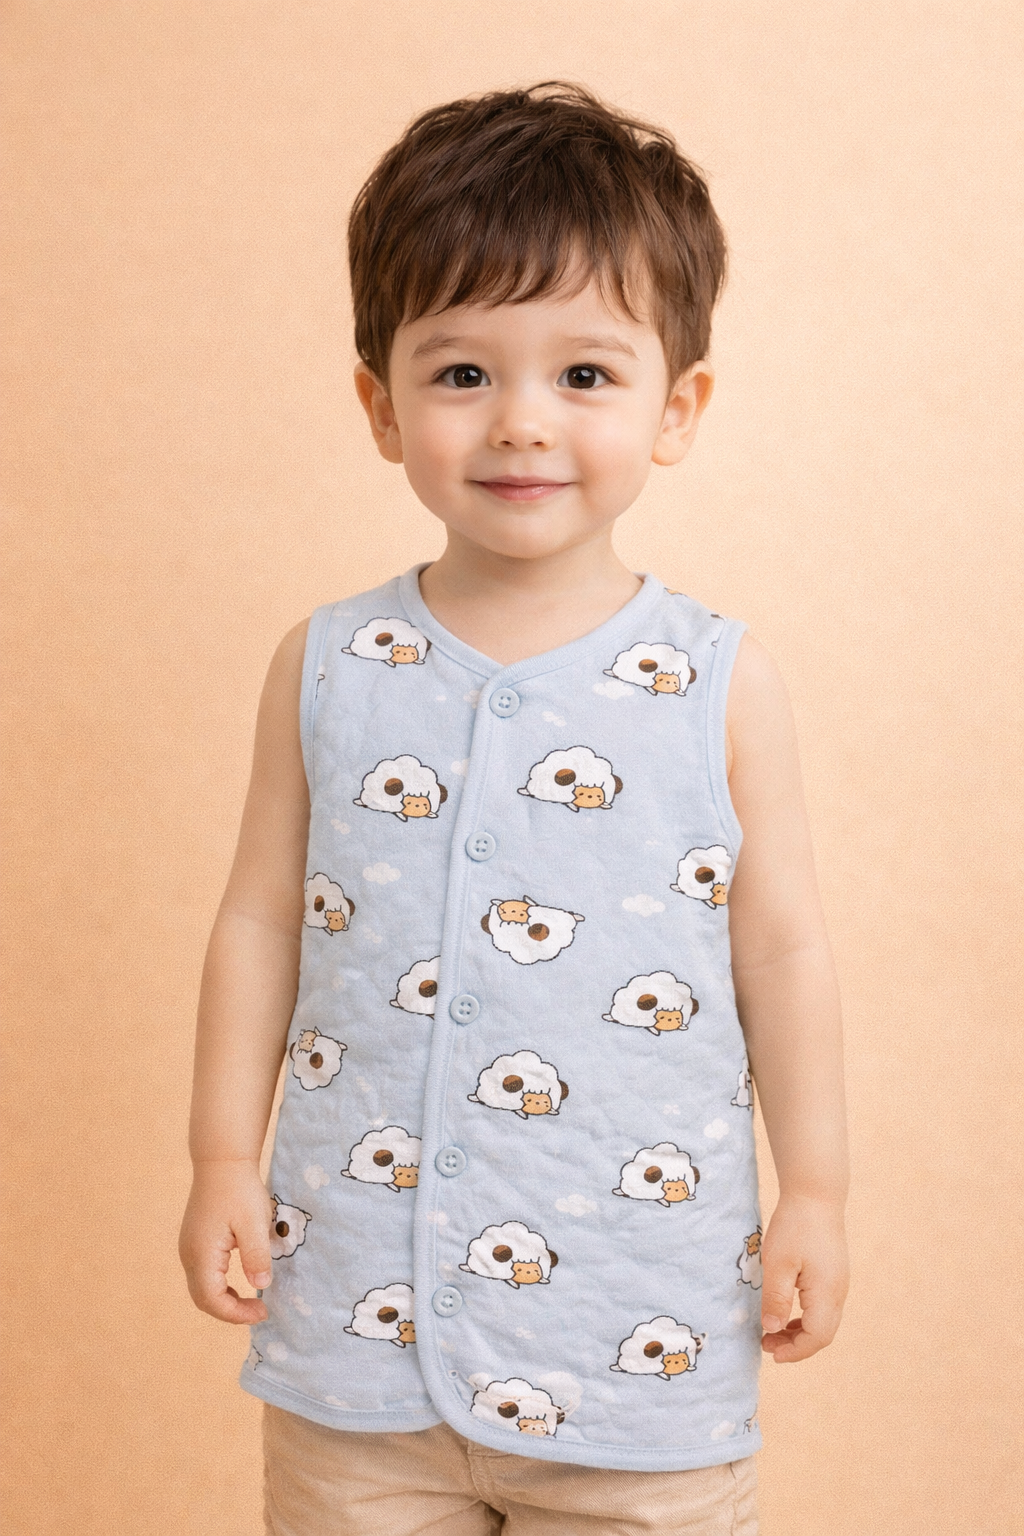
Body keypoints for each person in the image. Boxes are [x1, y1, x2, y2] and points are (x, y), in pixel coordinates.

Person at [179, 82, 849, 1536]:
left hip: (637, 1344)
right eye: (464, 372)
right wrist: (221, 1156)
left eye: (585, 374)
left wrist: (818, 1189)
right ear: (382, 405)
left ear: (678, 409)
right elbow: (258, 922)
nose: (521, 423)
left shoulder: (720, 683)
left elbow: (783, 948)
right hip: (359, 1336)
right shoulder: (329, 666)